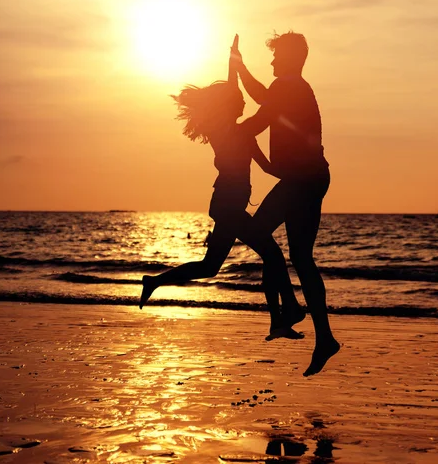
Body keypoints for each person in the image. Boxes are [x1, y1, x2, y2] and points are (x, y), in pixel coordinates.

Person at [140, 39, 305, 341]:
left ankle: (154, 281)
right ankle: (286, 312)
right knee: (273, 254)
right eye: (239, 100)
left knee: (210, 266)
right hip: (227, 206)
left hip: (228, 206)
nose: (244, 102)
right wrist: (232, 65)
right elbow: (232, 94)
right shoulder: (226, 132)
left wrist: (234, 62)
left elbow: (269, 168)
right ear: (229, 105)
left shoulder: (240, 132)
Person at [232, 31, 340, 377]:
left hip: (303, 180)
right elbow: (264, 100)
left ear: (291, 58)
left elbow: (259, 117)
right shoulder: (289, 88)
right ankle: (319, 334)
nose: (273, 61)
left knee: (260, 233)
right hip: (306, 178)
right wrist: (241, 68)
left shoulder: (291, 86)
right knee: (299, 257)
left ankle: (289, 312)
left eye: (277, 56)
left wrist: (226, 129)